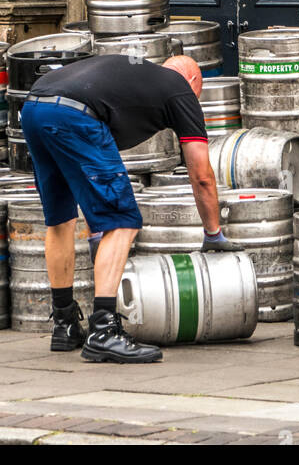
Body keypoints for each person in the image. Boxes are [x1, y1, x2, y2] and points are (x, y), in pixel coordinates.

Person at [19, 51, 224, 363]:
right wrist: (213, 234)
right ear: (194, 81)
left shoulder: (137, 76)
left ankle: (65, 324)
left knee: (60, 220)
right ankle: (103, 330)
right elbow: (202, 176)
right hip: (74, 114)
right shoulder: (181, 88)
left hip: (34, 107)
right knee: (122, 221)